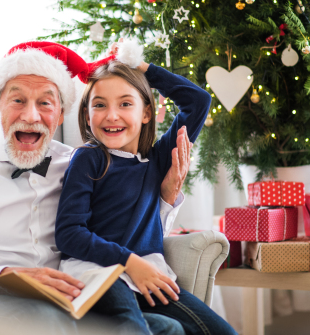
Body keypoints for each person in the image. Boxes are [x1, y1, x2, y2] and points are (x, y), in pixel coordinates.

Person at [0, 40, 190, 334]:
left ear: (59, 115)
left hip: (73, 301)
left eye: (45, 103)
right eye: (18, 100)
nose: (31, 116)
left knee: (168, 329)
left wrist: (166, 198)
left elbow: (124, 231)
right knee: (50, 322)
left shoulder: (76, 164)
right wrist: (6, 274)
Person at [55, 45, 237, 335]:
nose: (111, 115)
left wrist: (143, 68)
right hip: (101, 273)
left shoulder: (159, 158)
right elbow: (68, 234)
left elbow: (198, 101)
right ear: (87, 114)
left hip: (149, 275)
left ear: (147, 113)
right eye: (99, 105)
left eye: (125, 104)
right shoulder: (89, 159)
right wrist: (129, 262)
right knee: (136, 327)